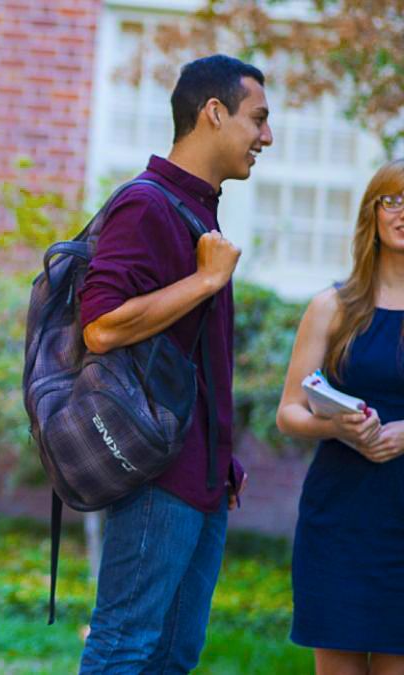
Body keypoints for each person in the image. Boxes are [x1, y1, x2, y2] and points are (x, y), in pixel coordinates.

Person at [76, 54, 272, 672]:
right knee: (124, 646)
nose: (266, 137)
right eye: (258, 119)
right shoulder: (148, 204)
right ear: (214, 113)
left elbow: (189, 356)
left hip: (202, 477)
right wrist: (206, 280)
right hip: (158, 475)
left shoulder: (198, 208)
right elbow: (101, 326)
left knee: (172, 656)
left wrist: (222, 454)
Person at [276, 159, 404, 674]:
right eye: (391, 201)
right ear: (371, 214)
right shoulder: (332, 306)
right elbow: (289, 410)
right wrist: (334, 427)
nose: (402, 213)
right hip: (340, 519)